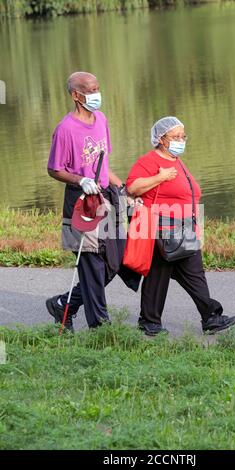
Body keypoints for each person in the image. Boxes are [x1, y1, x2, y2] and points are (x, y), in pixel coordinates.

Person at [126, 116, 235, 336]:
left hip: (185, 229)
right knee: (160, 273)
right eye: (175, 136)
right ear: (161, 138)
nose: (181, 140)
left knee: (193, 273)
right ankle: (151, 322)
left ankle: (209, 318)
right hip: (162, 228)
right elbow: (133, 187)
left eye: (183, 136)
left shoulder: (175, 159)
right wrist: (160, 177)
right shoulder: (149, 161)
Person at [46, 71, 139, 332]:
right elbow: (54, 169)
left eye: (98, 88)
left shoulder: (101, 119)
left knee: (115, 261)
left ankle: (64, 303)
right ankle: (101, 328)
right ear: (77, 95)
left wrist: (124, 189)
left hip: (107, 198)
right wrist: (79, 180)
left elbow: (103, 164)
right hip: (82, 203)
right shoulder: (65, 129)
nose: (97, 94)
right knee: (92, 264)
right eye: (91, 89)